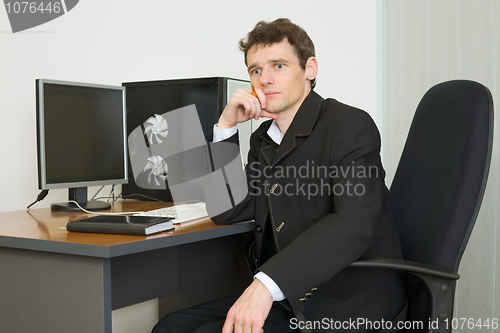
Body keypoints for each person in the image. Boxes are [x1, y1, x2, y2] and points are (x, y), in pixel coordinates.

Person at [152, 18, 406, 333]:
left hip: (347, 298)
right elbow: (227, 208)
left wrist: (265, 284)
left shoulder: (349, 125)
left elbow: (353, 223)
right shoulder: (264, 139)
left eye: (278, 66)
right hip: (292, 292)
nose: (265, 79)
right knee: (170, 326)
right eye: (256, 70)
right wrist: (225, 127)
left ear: (309, 69)